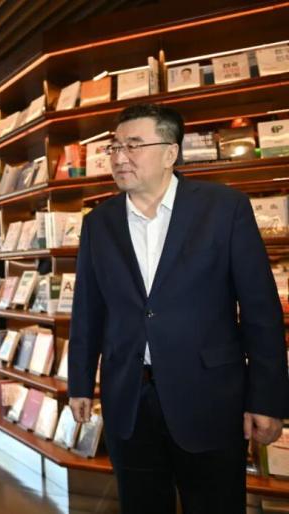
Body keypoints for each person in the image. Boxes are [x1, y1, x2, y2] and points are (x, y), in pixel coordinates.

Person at [68, 103, 289, 514]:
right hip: (128, 399)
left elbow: (260, 310)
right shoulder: (99, 222)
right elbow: (87, 310)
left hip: (210, 397)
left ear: (170, 152)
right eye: (114, 147)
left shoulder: (224, 208)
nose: (119, 157)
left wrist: (267, 399)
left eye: (133, 145)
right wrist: (79, 382)